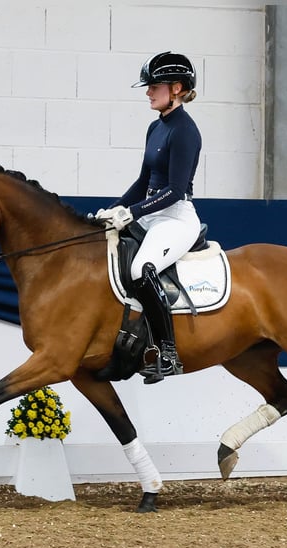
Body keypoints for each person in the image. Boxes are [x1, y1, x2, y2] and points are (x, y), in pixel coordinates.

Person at [96, 51, 203, 384]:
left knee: (141, 270)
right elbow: (143, 183)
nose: (147, 92)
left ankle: (168, 353)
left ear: (176, 88)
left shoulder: (185, 131)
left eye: (153, 86)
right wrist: (113, 209)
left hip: (175, 217)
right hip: (150, 214)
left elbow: (173, 190)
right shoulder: (154, 128)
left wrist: (132, 213)